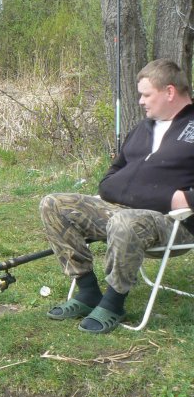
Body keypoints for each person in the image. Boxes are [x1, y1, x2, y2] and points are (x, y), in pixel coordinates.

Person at [40, 58, 194, 333]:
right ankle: (88, 291)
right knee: (53, 204)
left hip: (174, 224)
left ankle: (113, 302)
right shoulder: (142, 129)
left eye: (146, 95)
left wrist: (186, 199)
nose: (140, 102)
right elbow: (110, 179)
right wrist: (149, 193)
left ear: (169, 92)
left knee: (125, 219)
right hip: (119, 209)